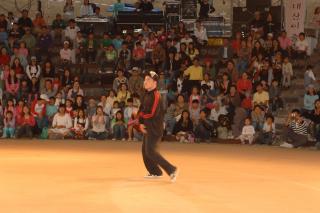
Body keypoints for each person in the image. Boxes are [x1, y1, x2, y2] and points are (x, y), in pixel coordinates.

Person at [138, 71, 178, 181]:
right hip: (148, 126)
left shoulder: (156, 96)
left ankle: (171, 169)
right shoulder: (145, 94)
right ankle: (155, 172)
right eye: (145, 79)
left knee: (150, 151)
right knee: (145, 151)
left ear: (155, 83)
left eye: (148, 80)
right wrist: (140, 122)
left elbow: (151, 113)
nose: (145, 82)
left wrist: (141, 119)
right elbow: (142, 109)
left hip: (155, 128)